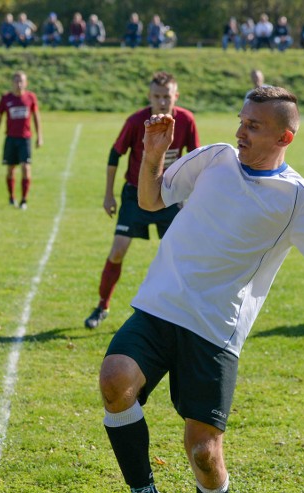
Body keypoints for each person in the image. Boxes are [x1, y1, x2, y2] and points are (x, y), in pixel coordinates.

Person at [98, 85, 304, 493]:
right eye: (241, 120)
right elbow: (150, 201)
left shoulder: (299, 196)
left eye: (253, 126)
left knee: (203, 453)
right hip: (161, 304)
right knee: (114, 378)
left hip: (216, 329)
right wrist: (151, 157)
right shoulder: (213, 158)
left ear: (285, 136)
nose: (240, 131)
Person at [84, 72, 199, 330]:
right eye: (156, 96)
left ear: (175, 97)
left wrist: (193, 197)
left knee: (180, 255)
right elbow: (115, 155)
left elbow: (195, 159)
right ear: (149, 96)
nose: (161, 102)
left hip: (170, 197)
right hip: (135, 195)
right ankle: (102, 305)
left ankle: (181, 312)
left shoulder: (187, 120)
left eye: (166, 96)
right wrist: (108, 194)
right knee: (117, 251)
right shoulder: (137, 121)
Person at [0, 71, 42, 210]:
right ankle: (12, 197)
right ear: (12, 83)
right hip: (11, 139)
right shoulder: (6, 99)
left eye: (21, 81)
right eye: (16, 81)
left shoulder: (30, 97)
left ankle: (24, 200)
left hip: (25, 139)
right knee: (10, 169)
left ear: (26, 83)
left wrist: (39, 136)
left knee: (26, 167)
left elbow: (36, 117)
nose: (19, 84)